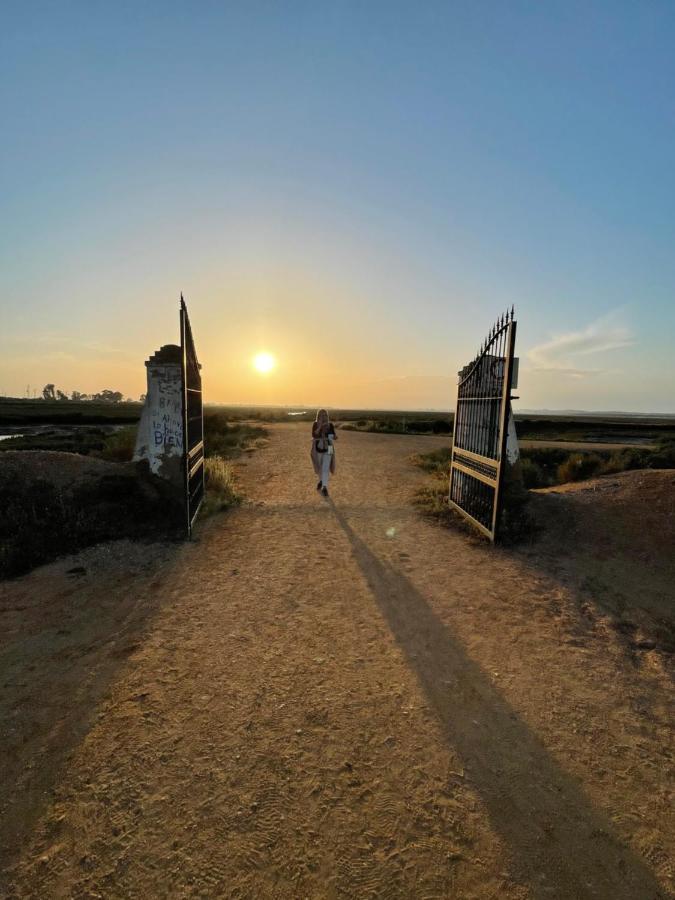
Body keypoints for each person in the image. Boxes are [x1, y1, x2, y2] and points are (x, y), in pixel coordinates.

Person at [311, 408, 337, 497]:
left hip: (329, 447)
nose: (324, 417)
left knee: (326, 467)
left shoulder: (330, 425)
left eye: (325, 415)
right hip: (318, 447)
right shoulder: (315, 424)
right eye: (322, 415)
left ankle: (324, 487)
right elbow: (314, 434)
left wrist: (334, 437)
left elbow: (334, 435)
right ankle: (321, 481)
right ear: (318, 416)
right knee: (320, 467)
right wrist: (320, 426)